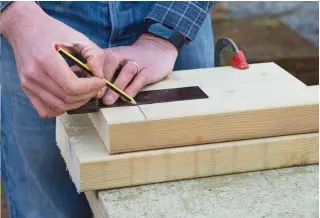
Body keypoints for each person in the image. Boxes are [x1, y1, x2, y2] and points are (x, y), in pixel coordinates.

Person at [0, 1, 216, 217]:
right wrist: (18, 17)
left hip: (176, 17)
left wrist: (166, 33)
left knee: (189, 204)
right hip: (39, 24)